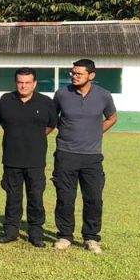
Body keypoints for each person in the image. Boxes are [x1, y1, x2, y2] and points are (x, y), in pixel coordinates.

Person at [52, 59, 118, 254]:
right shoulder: (62, 94)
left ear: (91, 75)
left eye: (79, 74)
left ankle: (91, 238)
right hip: (65, 154)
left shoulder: (104, 95)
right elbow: (52, 117)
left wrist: (96, 132)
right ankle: (65, 236)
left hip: (92, 157)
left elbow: (112, 118)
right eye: (73, 73)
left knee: (94, 199)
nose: (74, 76)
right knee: (65, 198)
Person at [0, 68, 57, 247]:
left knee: (36, 198)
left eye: (28, 82)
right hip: (11, 159)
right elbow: (3, 123)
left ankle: (36, 233)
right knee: (12, 198)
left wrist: (34, 137)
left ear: (34, 83)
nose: (24, 86)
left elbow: (51, 125)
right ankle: (10, 232)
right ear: (16, 83)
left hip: (35, 160)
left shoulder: (45, 102)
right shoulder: (6, 100)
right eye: (20, 82)